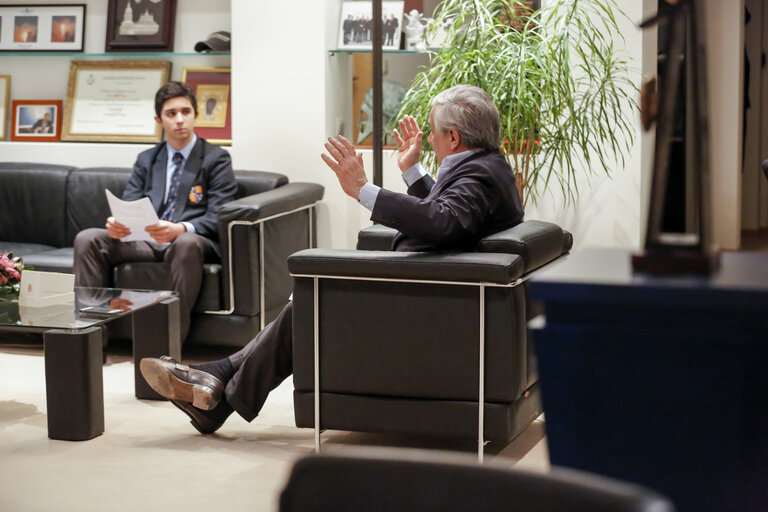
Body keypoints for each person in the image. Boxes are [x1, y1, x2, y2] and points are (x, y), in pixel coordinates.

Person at [139, 84, 524, 434]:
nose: (432, 139)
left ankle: (217, 383)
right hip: (429, 290)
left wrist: (362, 189)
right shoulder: (486, 168)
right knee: (307, 299)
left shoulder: (478, 176)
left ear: (453, 137)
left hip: (421, 298)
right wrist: (411, 171)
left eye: (435, 132)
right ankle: (217, 387)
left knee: (310, 297)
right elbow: (449, 216)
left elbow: (443, 222)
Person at [73, 81, 237, 344]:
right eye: (171, 114)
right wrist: (119, 223)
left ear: (196, 114)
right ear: (159, 119)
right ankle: (91, 340)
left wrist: (180, 228)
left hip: (187, 241)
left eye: (186, 112)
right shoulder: (148, 158)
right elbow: (130, 202)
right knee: (88, 238)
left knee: (186, 243)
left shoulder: (216, 158)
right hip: (146, 240)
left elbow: (218, 214)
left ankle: (168, 343)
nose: (180, 120)